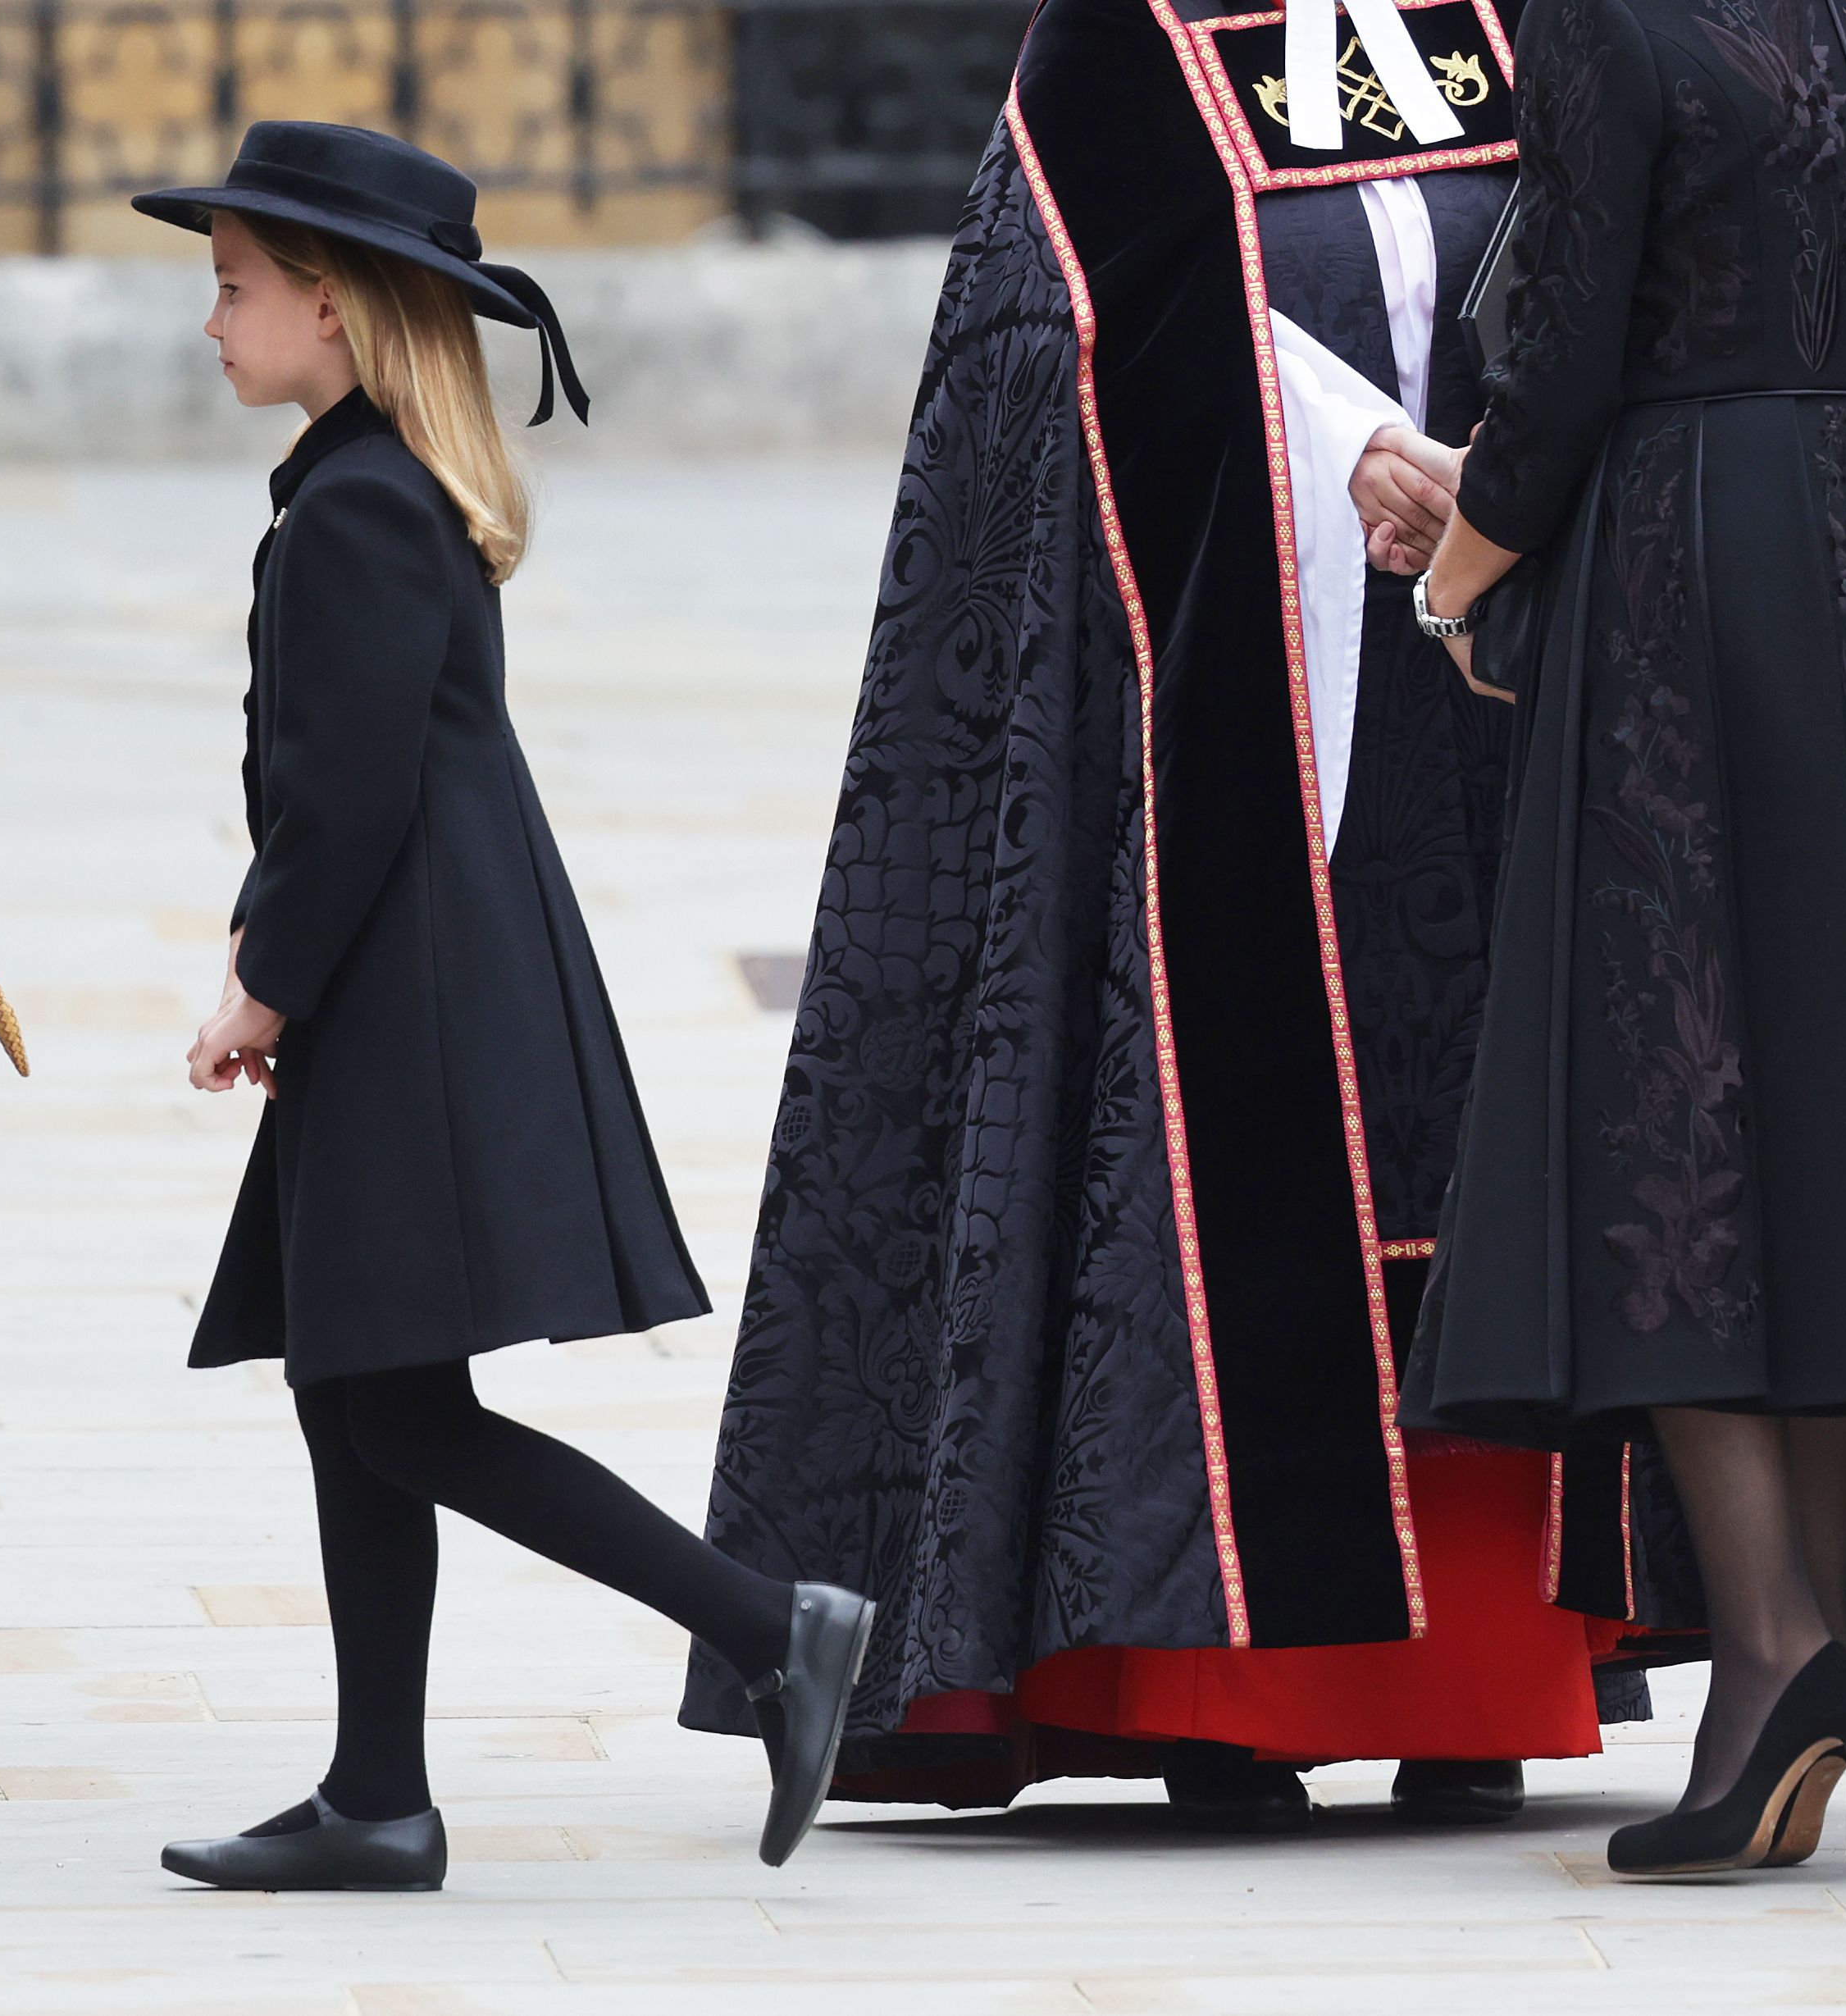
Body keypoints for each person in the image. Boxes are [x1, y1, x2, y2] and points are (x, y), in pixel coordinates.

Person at [677, 0, 1675, 1830]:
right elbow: (1045, 360)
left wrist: (1502, 486)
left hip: (1487, 698)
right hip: (1227, 706)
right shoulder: (1118, 56)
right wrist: (1352, 453)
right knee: (1243, 1148)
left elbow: (1604, 272)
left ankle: (1479, 1678)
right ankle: (1218, 1689)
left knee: (1479, 1148)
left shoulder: (1499, 26)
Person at [137, 122, 875, 1891]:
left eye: (234, 289)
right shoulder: (368, 484)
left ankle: (772, 1627)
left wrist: (261, 980)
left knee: (390, 1400)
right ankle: (376, 1792)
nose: (211, 319)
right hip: (418, 979)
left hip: (414, 996)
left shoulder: (360, 511)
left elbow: (350, 797)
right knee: (358, 1381)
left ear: (330, 308)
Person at [1401, 0, 1846, 1878]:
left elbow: (1568, 355)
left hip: (1697, 553)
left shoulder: (1610, 21)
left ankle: (1777, 1647)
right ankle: (1796, 1645)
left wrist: (1459, 574)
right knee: (1823, 1078)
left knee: (1668, 1087)